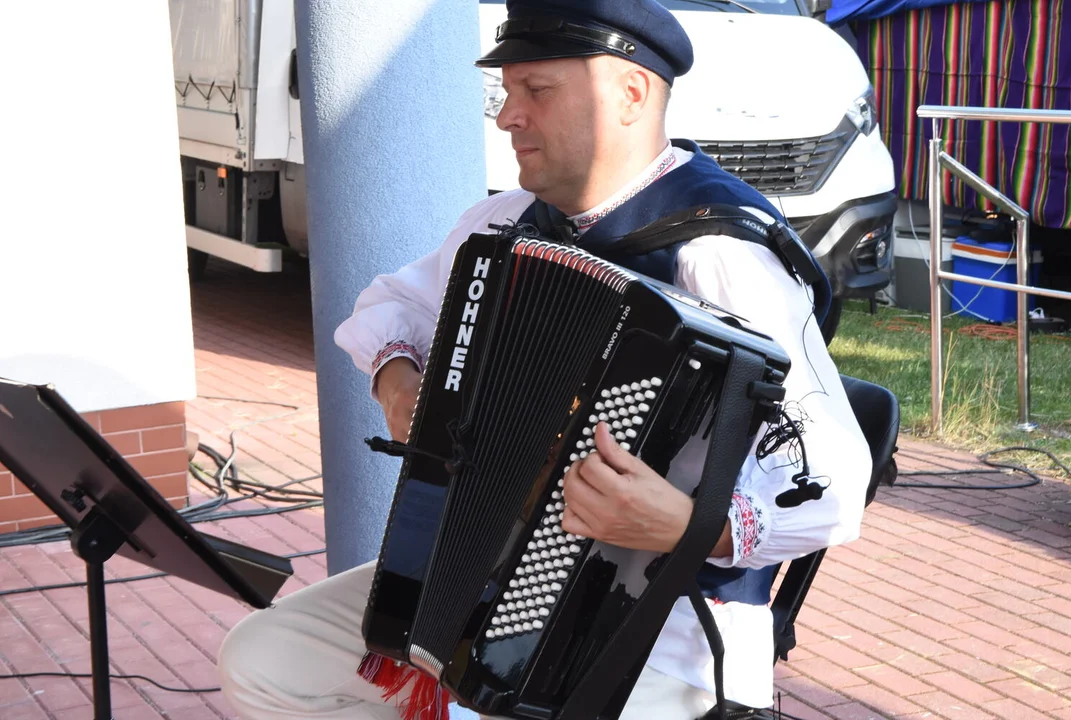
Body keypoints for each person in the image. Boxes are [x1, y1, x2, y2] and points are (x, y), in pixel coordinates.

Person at [216, 1, 873, 718]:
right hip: (489, 566)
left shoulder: (722, 256)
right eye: (507, 92)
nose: (506, 117)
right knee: (264, 659)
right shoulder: (504, 223)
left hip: (669, 619)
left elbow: (831, 480)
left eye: (538, 91)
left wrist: (688, 525)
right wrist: (401, 384)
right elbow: (390, 307)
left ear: (631, 94)